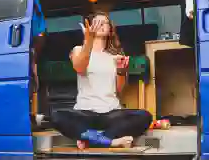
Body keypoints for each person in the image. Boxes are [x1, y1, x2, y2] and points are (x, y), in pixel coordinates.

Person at [52, 11, 152, 150]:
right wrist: (88, 41)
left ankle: (92, 138)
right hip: (85, 112)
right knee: (57, 116)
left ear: (110, 30)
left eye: (105, 22)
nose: (101, 25)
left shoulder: (116, 56)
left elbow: (118, 90)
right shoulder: (79, 50)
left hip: (111, 112)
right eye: (97, 22)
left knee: (144, 116)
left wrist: (121, 70)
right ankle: (111, 141)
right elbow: (80, 67)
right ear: (90, 27)